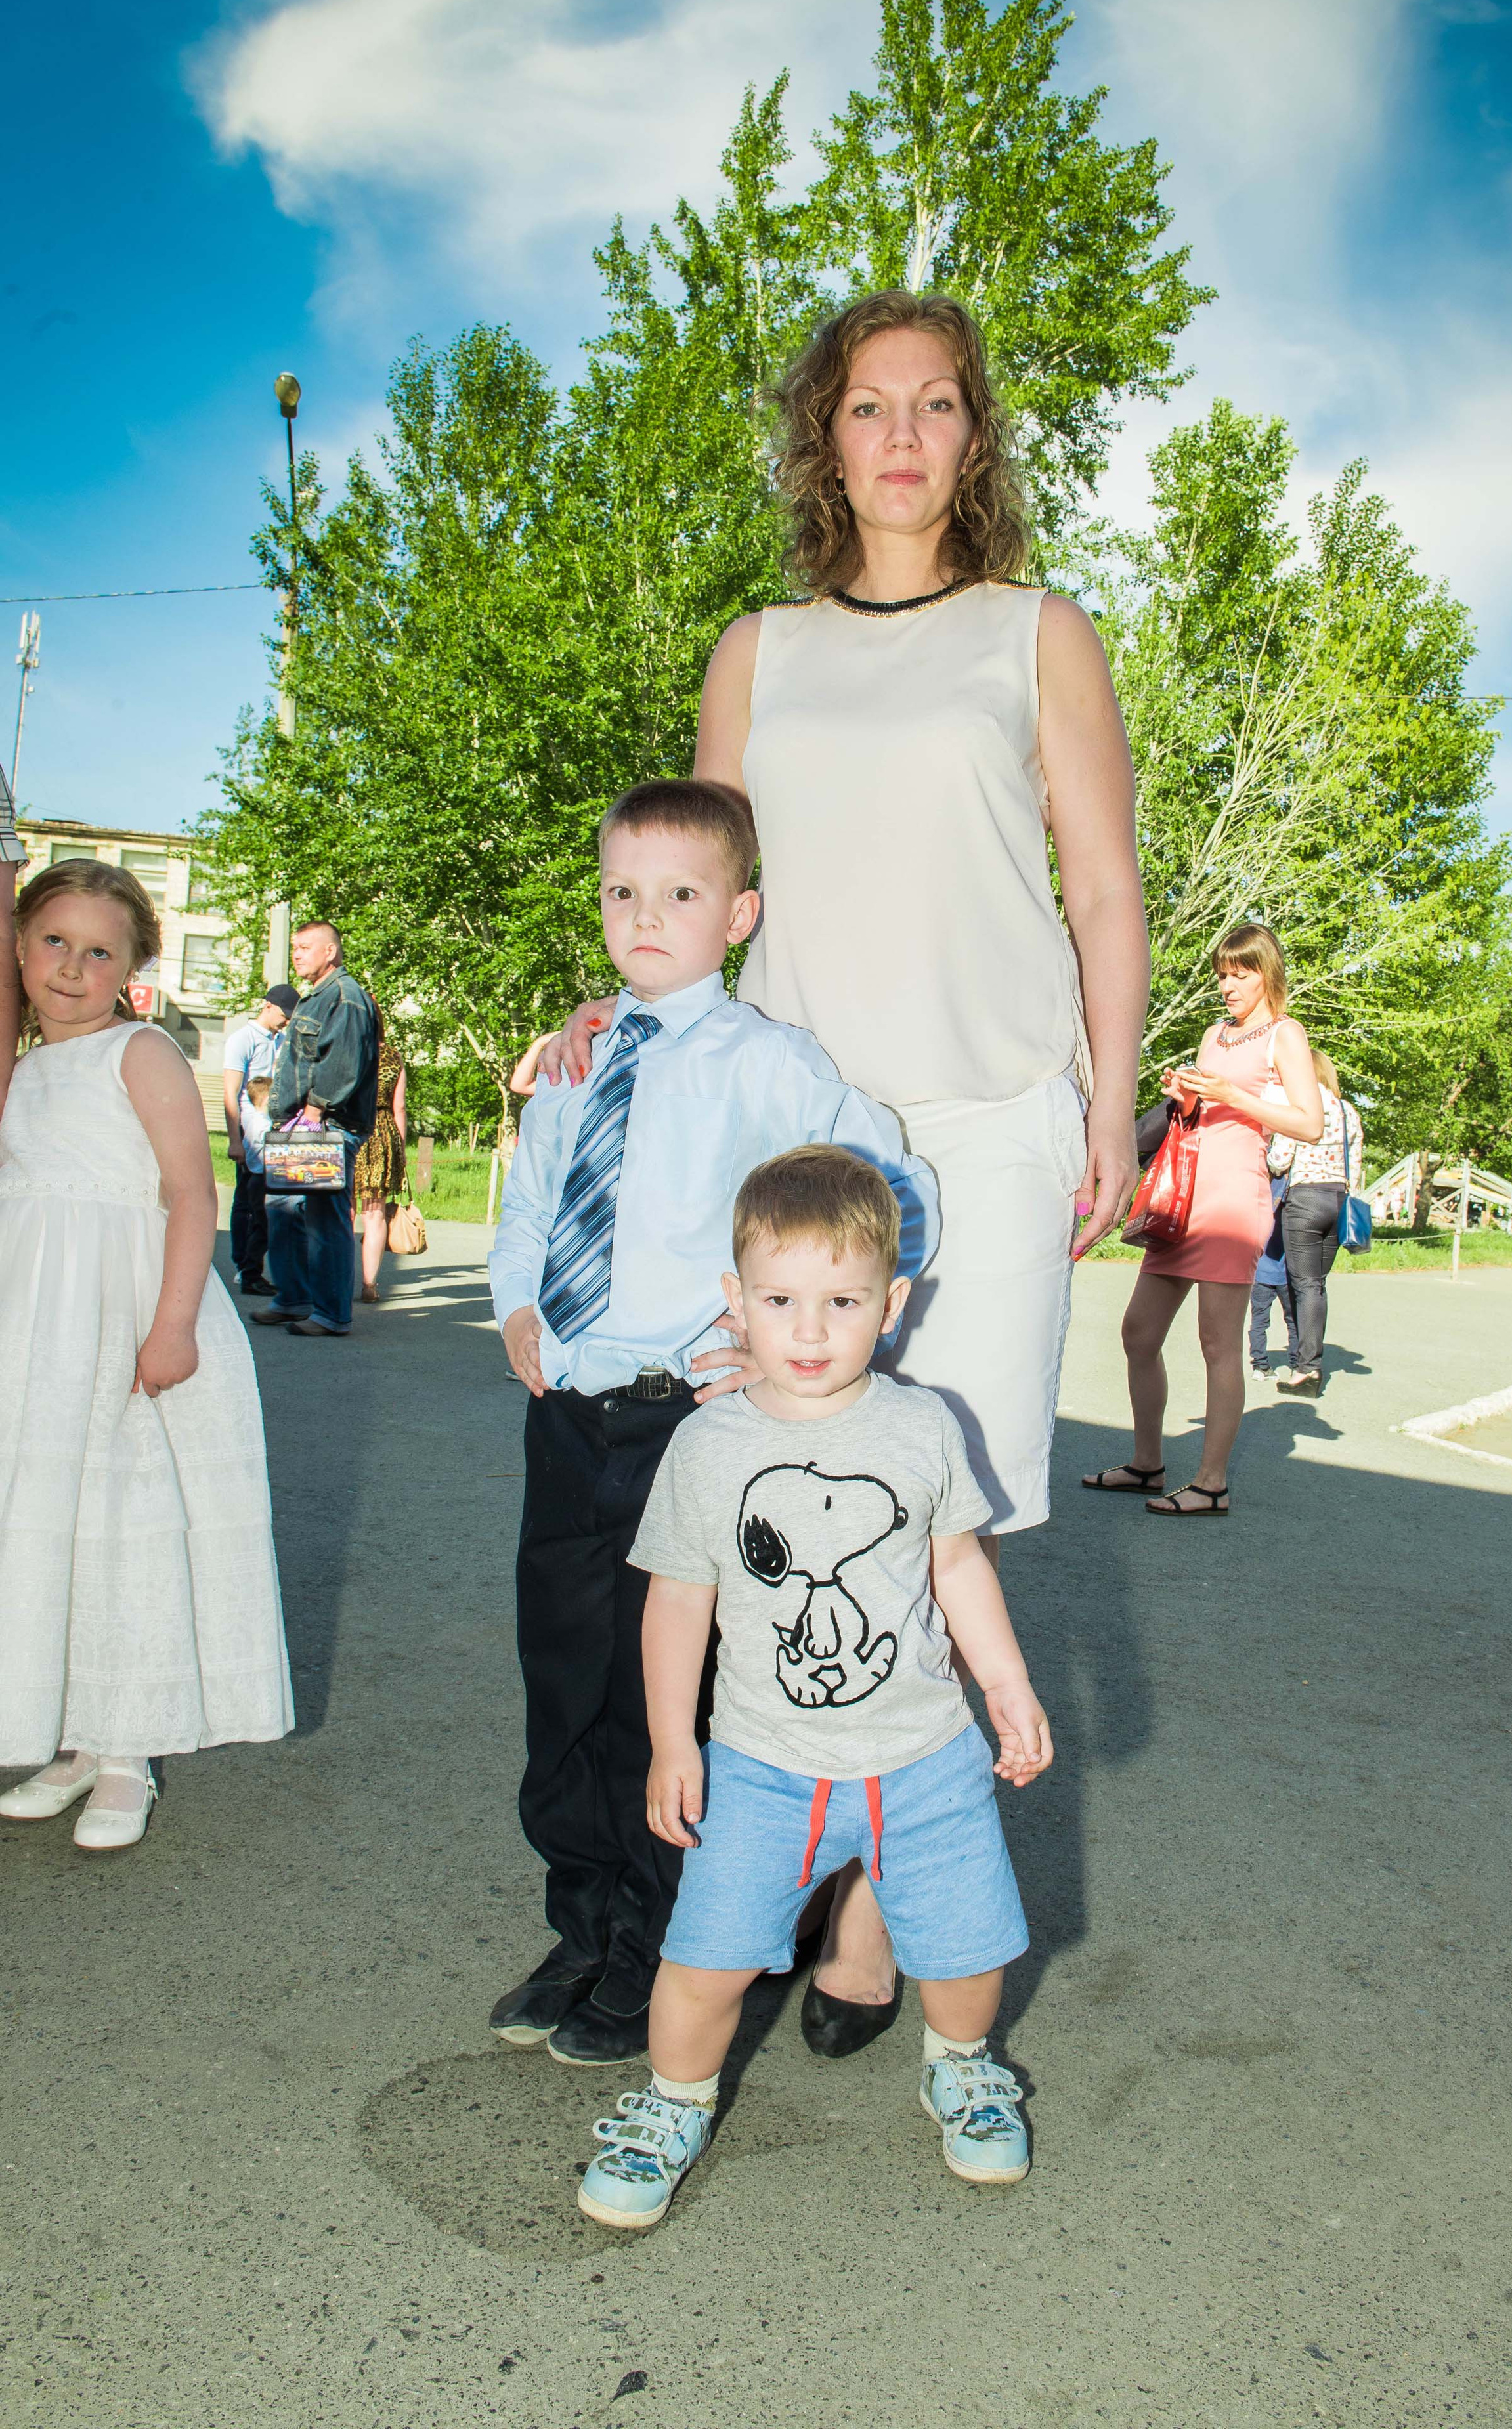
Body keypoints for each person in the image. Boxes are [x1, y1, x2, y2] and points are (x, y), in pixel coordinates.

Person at [541, 287, 1148, 2052]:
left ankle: (884, 1901)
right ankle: (753, 1859)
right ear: (827, 439)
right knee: (769, 1502)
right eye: (867, 405)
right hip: (794, 1141)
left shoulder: (1042, 633)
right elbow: (698, 882)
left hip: (985, 1115)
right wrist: (620, 1017)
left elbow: (1104, 888)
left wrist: (1110, 1102)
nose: (900, 433)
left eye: (936, 404)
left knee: (932, 1509)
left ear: (974, 436)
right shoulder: (759, 649)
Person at [486, 779, 938, 2069]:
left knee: (654, 1700)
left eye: (680, 894)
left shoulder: (766, 1065)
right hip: (562, 1419)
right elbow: (530, 1211)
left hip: (678, 1426)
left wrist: (793, 1324)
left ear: (736, 913)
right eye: (622, 890)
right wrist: (516, 1299)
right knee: (560, 1685)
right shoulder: (575, 1059)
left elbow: (886, 1176)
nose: (646, 916)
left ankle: (661, 1942)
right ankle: (581, 1924)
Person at [575, 1148, 1052, 2231]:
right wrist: (671, 1741)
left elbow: (959, 1566)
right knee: (702, 1962)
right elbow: (676, 1602)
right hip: (762, 1767)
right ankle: (671, 2104)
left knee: (970, 1951)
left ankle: (964, 2065)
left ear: (894, 1304)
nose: (807, 1331)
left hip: (926, 1757)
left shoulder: (925, 1427)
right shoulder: (707, 1446)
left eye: (841, 1303)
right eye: (781, 1300)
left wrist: (1008, 1688)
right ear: (734, 1300)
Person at [0, 860, 293, 1849]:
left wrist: (169, 1327)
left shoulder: (140, 1052)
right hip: (38, 1328)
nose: (71, 966)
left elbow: (191, 1193)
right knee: (55, 1522)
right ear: (19, 946)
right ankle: (79, 1735)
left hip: (125, 1314)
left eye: (99, 951)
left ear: (133, 970)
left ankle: (131, 1752)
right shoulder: (27, 1064)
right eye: (52, 942)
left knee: (128, 1522)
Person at [1082, 922, 1323, 1515]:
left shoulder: (1284, 1035)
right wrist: (1189, 1096)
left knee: (1218, 1342)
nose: (1227, 984)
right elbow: (1197, 1114)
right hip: (1184, 1199)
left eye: (1239, 973)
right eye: (1222, 973)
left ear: (1266, 972)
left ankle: (1211, 1483)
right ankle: (1147, 1463)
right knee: (1139, 1332)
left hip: (1233, 1202)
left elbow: (1309, 1123)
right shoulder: (1215, 1034)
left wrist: (1232, 1095)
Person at [251, 922, 379, 1339]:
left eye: (305, 947)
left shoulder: (345, 998)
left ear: (331, 952)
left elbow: (342, 1065)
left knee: (326, 1220)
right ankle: (294, 1299)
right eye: (294, 948)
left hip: (326, 1125)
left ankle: (331, 1314)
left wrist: (313, 1111)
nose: (298, 954)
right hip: (300, 1125)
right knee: (283, 1210)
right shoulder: (315, 998)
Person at [1272, 1050, 1364, 1400]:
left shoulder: (1301, 1107)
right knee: (1318, 1285)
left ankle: (1306, 1368)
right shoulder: (1347, 1111)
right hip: (1338, 1201)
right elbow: (1355, 1166)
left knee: (1304, 1285)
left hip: (1306, 1201)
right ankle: (1308, 1359)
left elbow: (1280, 1160)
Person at [221, 984, 299, 1296]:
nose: (286, 1022)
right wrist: (234, 1140)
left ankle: (251, 1265)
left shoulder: (280, 1040)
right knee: (248, 1202)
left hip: (274, 1129)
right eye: (283, 1015)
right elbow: (231, 1093)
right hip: (249, 1129)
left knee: (263, 1201)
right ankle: (244, 1264)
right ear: (268, 1007)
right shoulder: (243, 1039)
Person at [354, 1012, 408, 1304]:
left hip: (348, 1131)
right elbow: (398, 1107)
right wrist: (400, 1149)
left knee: (342, 1212)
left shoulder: (346, 1050)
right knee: (374, 1214)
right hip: (381, 1134)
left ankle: (333, 1280)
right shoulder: (393, 1057)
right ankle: (369, 1283)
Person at [1248, 1171, 1298, 1375]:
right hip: (1286, 1274)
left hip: (1261, 1273)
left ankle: (1260, 1366)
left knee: (1259, 1321)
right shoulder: (1291, 1212)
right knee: (1294, 1320)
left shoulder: (1260, 1208)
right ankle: (1297, 1364)